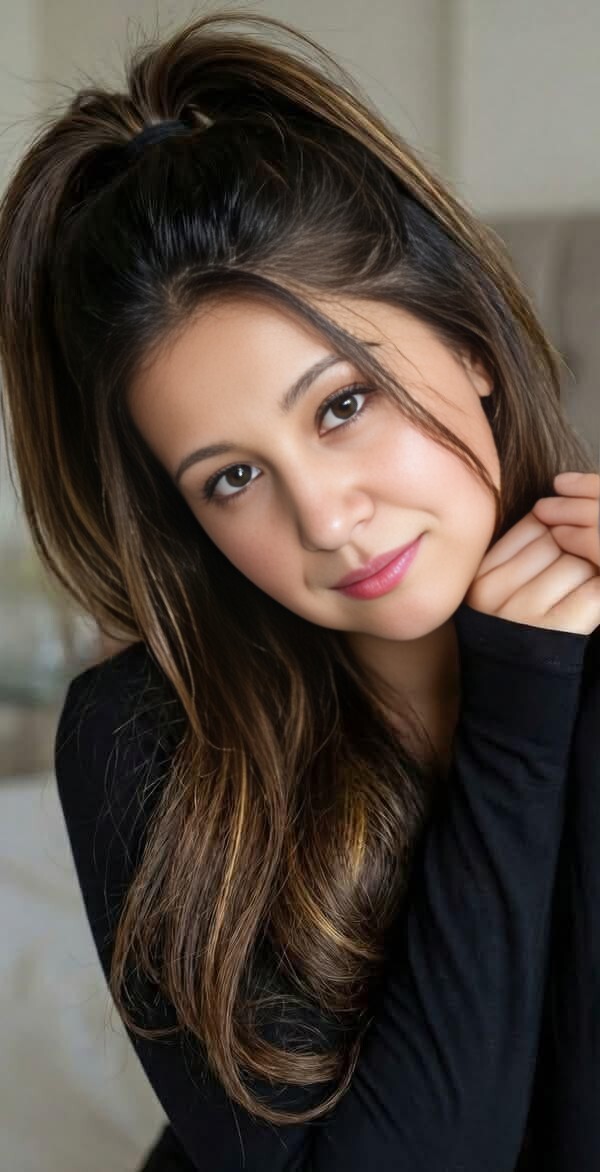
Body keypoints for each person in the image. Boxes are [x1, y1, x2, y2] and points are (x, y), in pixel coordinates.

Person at [0, 11, 599, 1171]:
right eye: (231, 478)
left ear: (469, 340)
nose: (323, 519)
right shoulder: (142, 739)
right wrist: (515, 727)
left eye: (342, 404)